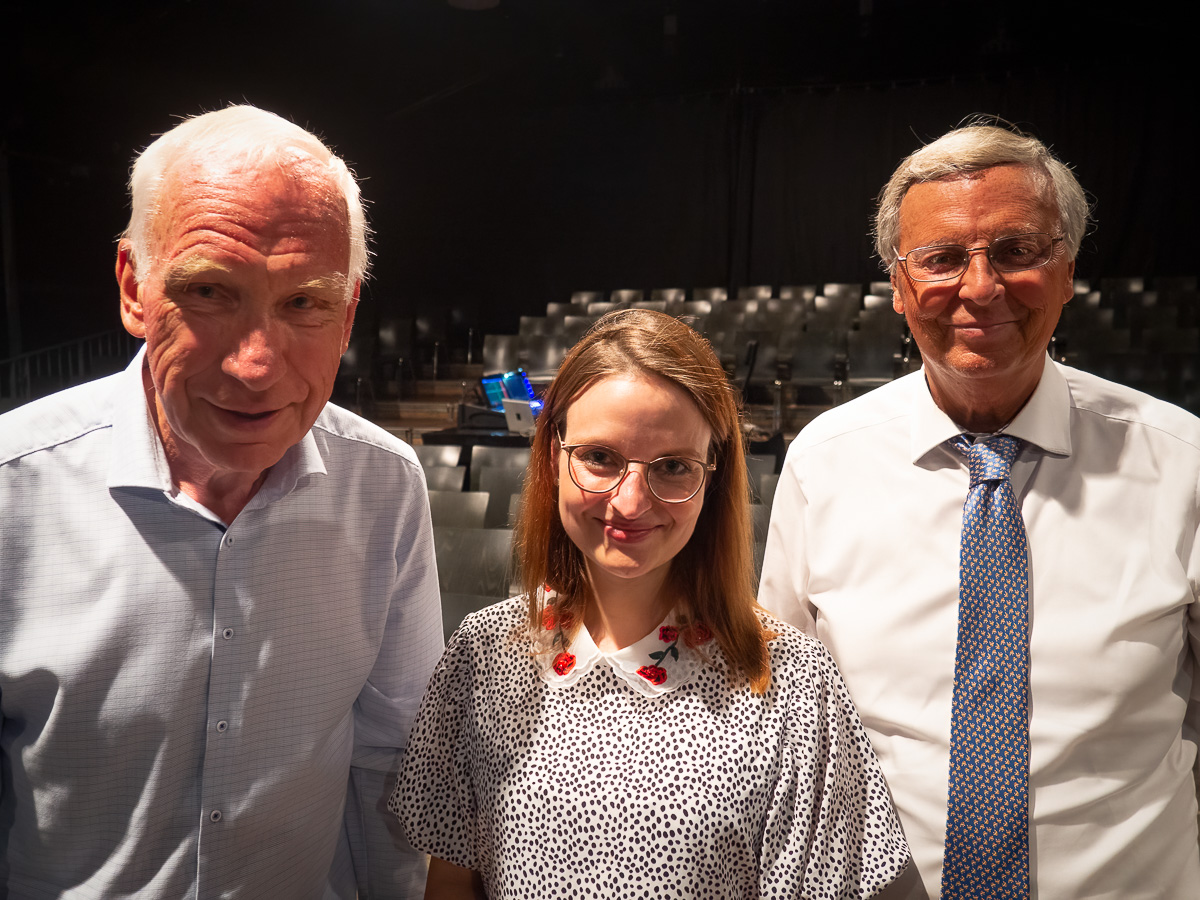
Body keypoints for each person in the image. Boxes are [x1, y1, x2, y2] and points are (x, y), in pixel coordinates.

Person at [0, 106, 444, 897]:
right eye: (210, 292)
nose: (256, 365)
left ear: (346, 319)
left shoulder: (384, 488)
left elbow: (389, 766)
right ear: (135, 288)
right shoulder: (11, 489)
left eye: (304, 304)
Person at [760, 120, 1200, 898]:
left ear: (1065, 271)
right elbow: (789, 726)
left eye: (1017, 251)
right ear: (899, 287)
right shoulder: (823, 464)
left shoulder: (1182, 460)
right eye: (940, 259)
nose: (980, 287)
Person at [390, 309, 909, 899]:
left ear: (712, 478)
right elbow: (453, 878)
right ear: (553, 458)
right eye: (600, 458)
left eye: (672, 467)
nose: (631, 502)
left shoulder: (794, 681)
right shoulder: (484, 653)